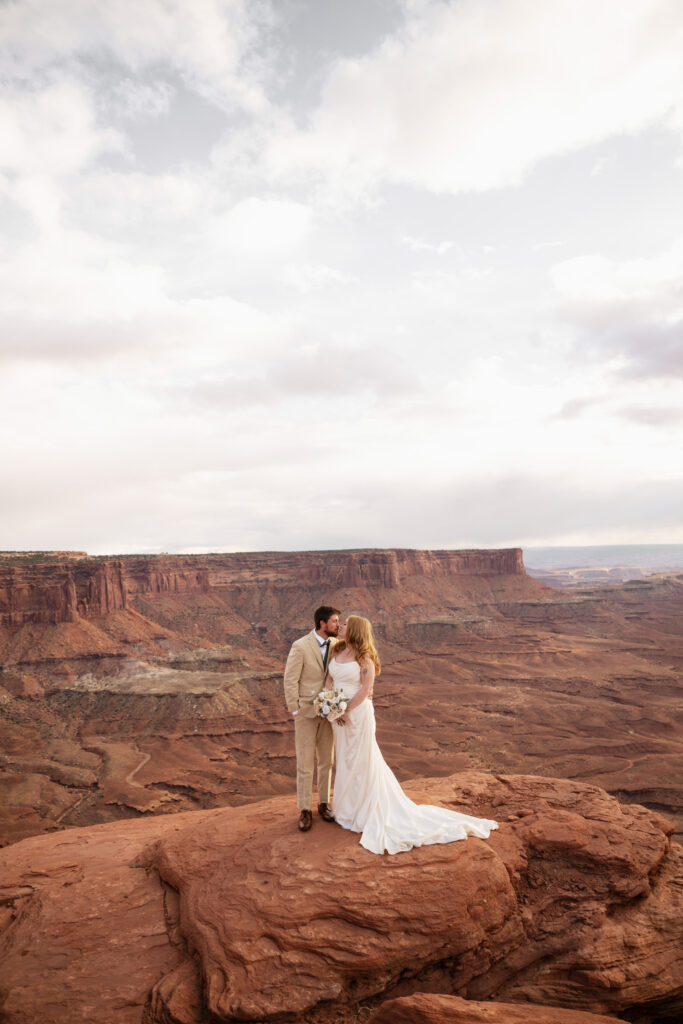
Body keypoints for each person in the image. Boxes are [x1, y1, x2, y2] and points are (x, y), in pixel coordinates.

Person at [327, 614, 498, 855]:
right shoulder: (337, 650)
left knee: (362, 760)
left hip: (357, 715)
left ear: (354, 630)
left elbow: (366, 690)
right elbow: (329, 679)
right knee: (344, 759)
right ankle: (347, 808)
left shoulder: (364, 658)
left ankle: (363, 809)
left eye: (345, 624)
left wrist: (345, 709)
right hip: (338, 715)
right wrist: (330, 705)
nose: (341, 626)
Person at [283, 605, 340, 832]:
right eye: (335, 621)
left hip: (329, 714)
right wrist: (294, 709)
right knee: (305, 762)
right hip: (306, 714)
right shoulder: (300, 646)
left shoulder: (337, 645)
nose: (338, 625)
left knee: (327, 760)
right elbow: (290, 679)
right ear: (322, 624)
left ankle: (323, 804)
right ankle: (305, 809)